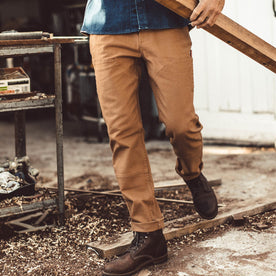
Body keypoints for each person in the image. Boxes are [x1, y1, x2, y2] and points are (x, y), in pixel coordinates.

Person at [81, 0, 225, 275]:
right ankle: (149, 235)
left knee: (180, 123)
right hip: (108, 24)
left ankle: (192, 173)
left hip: (166, 18)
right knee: (123, 134)